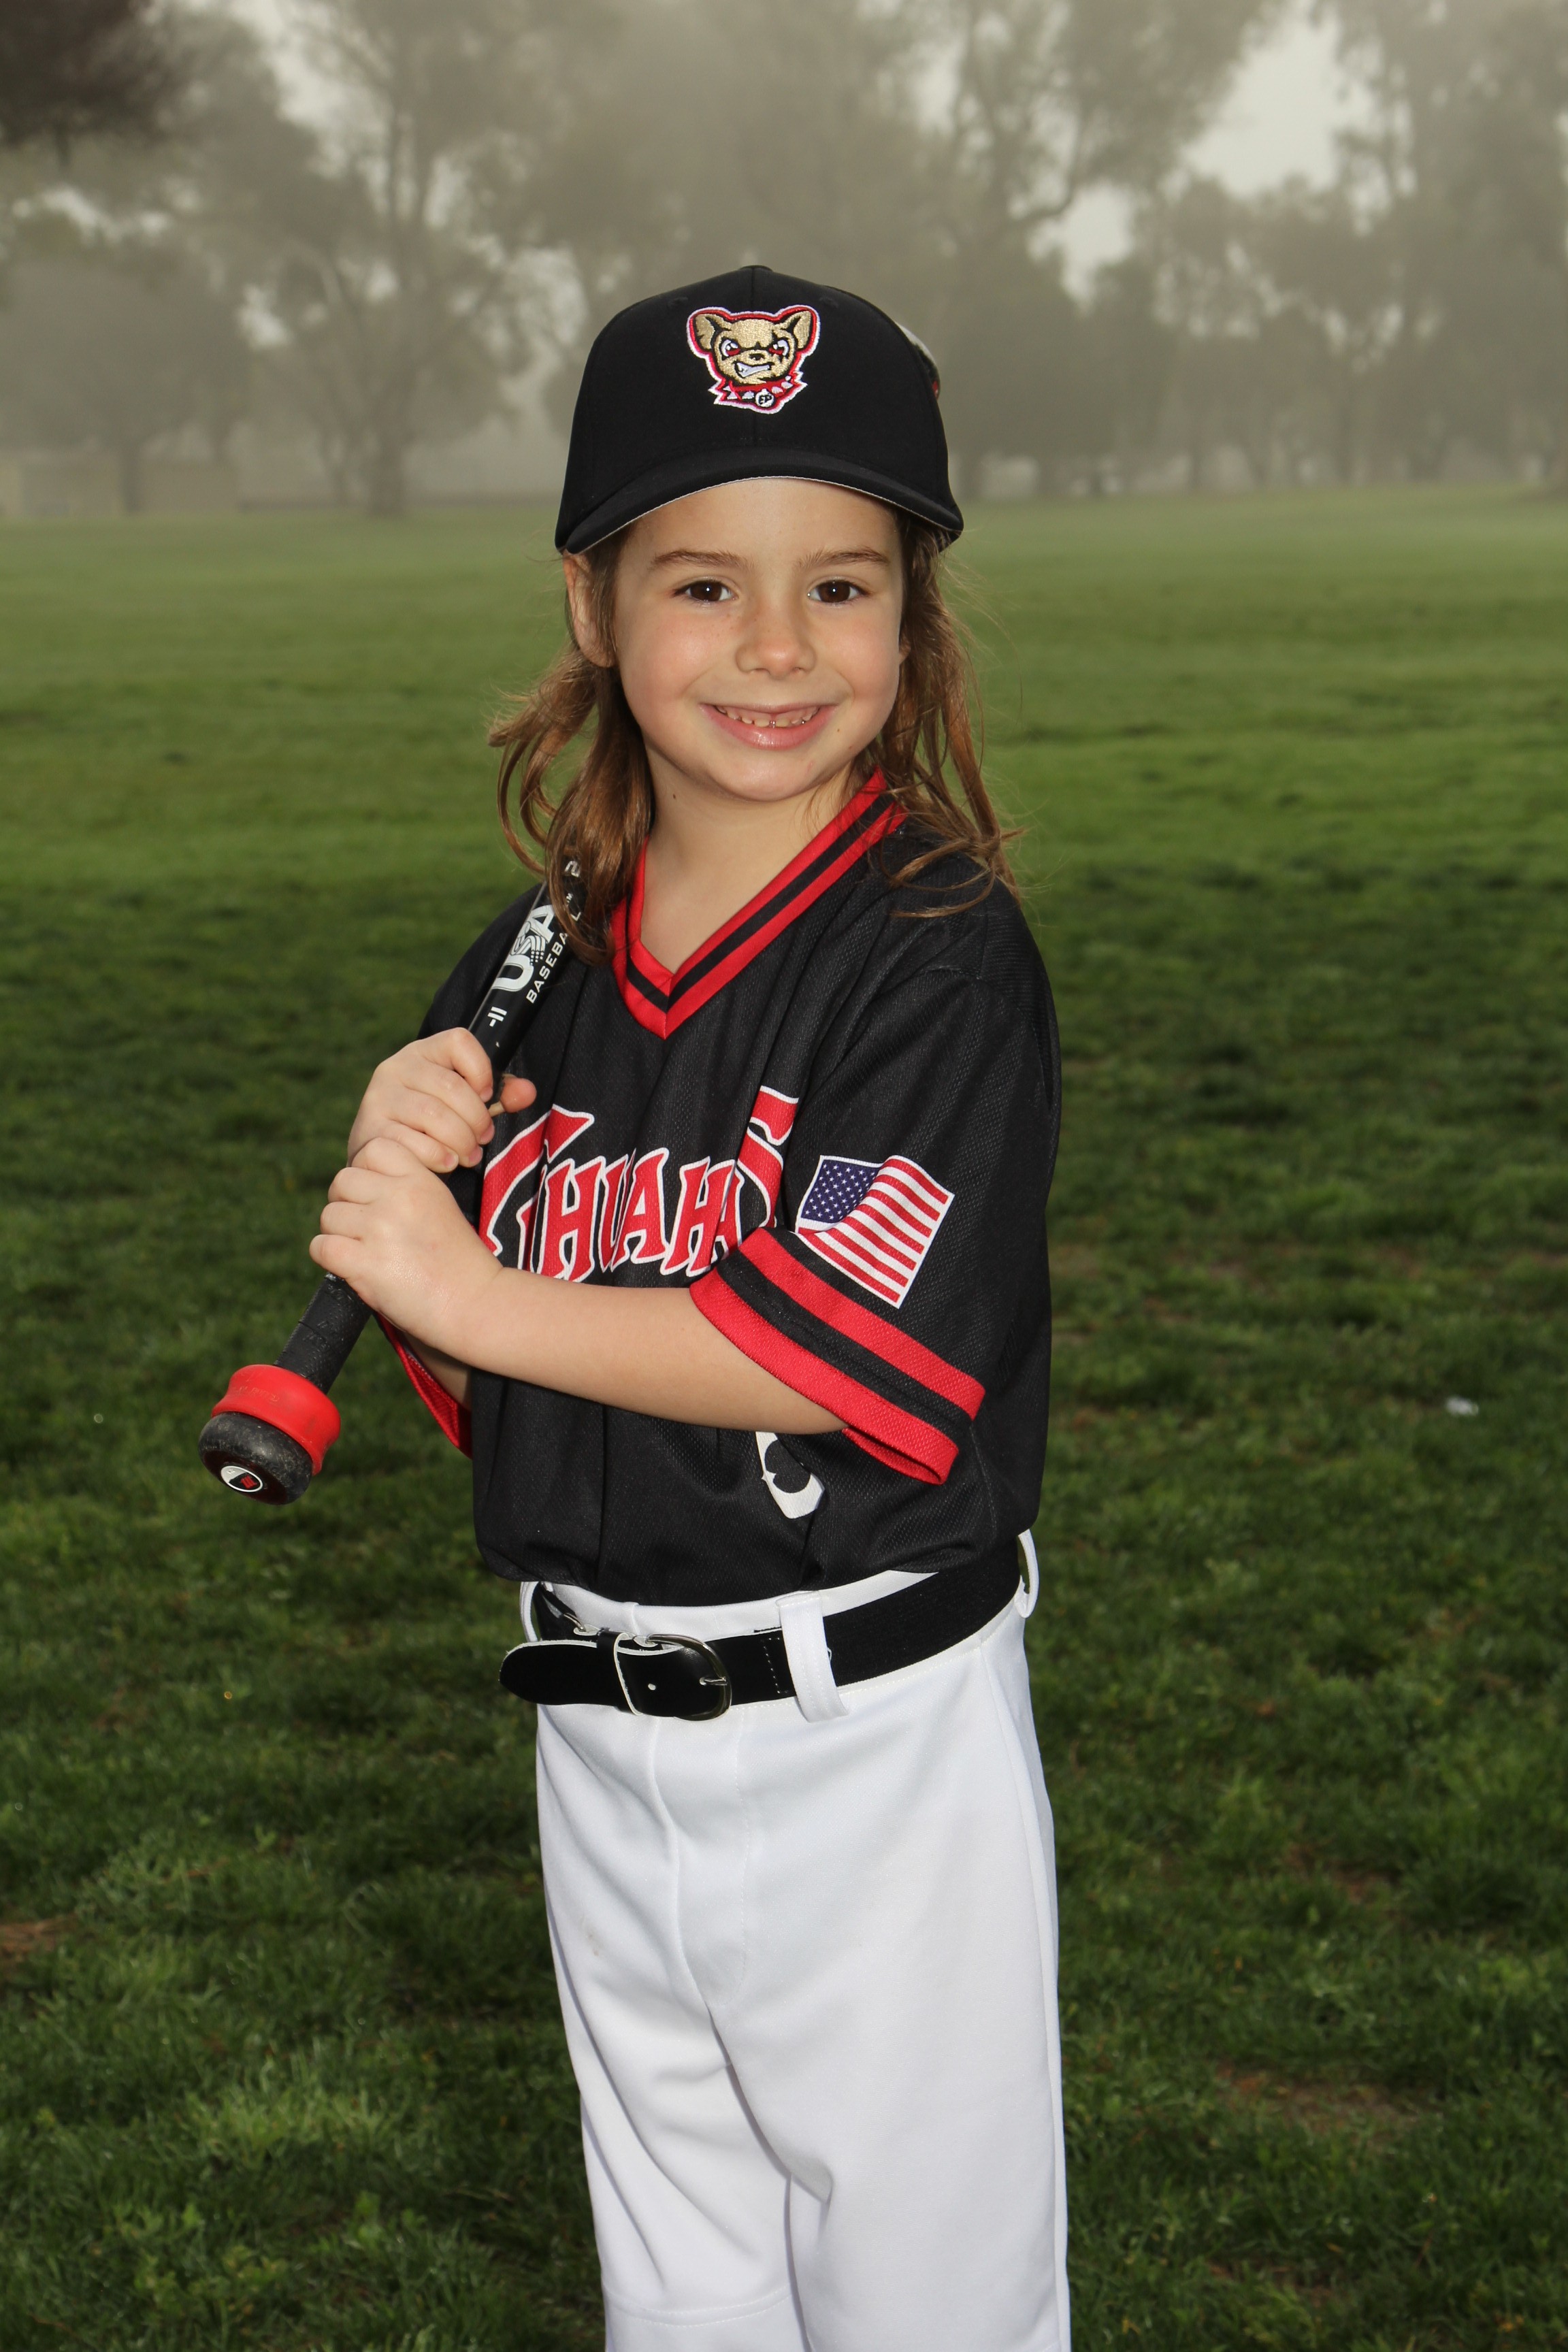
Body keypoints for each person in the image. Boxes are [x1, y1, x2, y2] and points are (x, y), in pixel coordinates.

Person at [310, 266, 1068, 2352]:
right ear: (592, 601)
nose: (775, 647)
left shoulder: (934, 952)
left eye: (842, 586)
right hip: (600, 1732)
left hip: (867, 1746)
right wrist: (411, 1204)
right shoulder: (542, 952)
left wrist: (465, 1276)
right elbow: (520, 1382)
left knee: (924, 2312)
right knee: (687, 2306)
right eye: (704, 582)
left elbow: (816, 1354)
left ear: (910, 618)